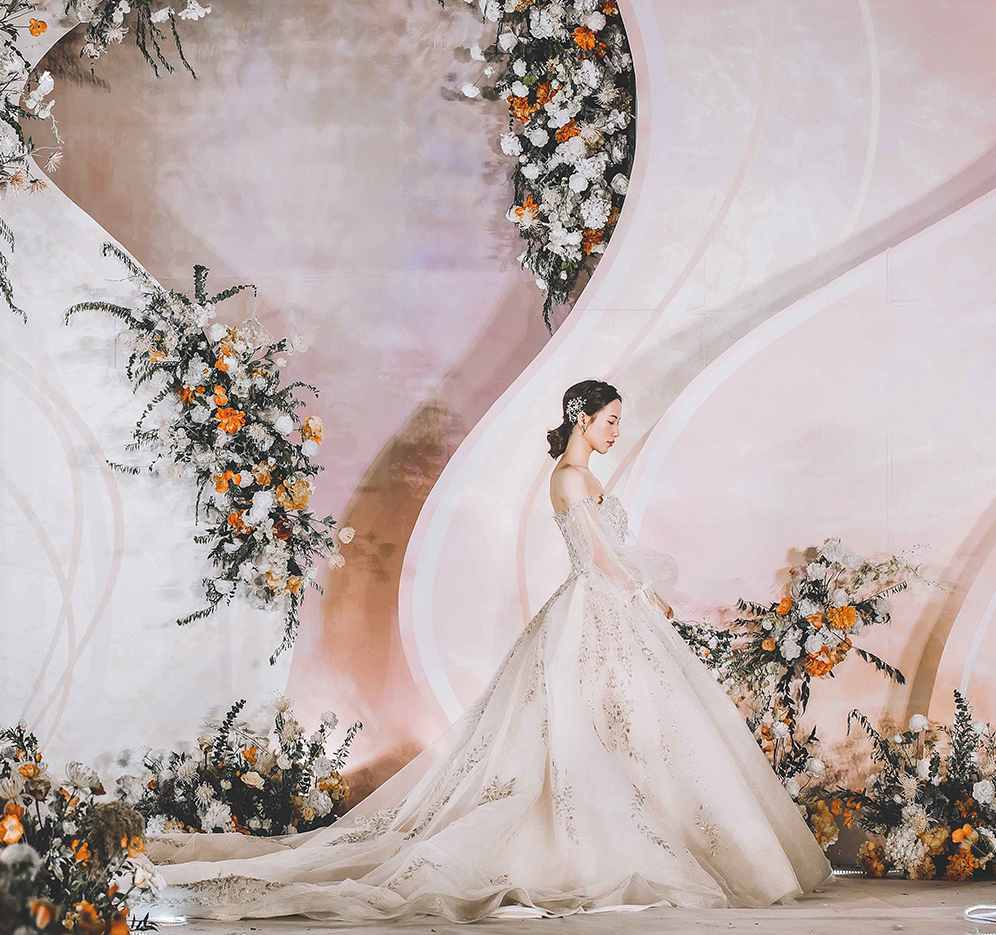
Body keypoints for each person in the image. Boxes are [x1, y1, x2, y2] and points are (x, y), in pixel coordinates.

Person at [145, 379, 833, 922]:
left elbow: (610, 551)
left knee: (637, 730)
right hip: (598, 607)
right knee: (590, 731)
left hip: (611, 609)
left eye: (620, 421)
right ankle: (603, 846)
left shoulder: (583, 477)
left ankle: (672, 837)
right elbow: (599, 555)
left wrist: (640, 593)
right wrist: (645, 593)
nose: (617, 430)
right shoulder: (570, 478)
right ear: (582, 418)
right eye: (610, 419)